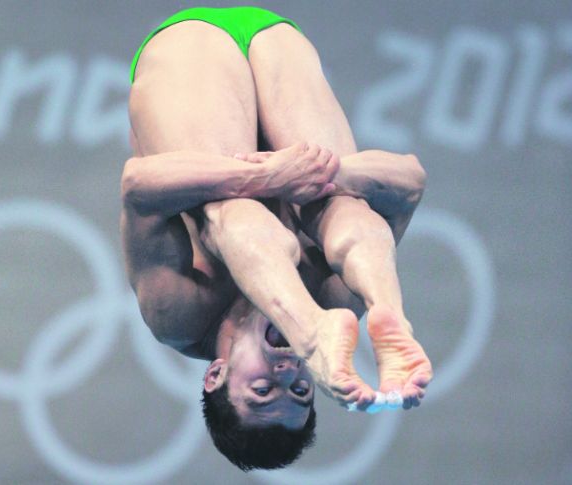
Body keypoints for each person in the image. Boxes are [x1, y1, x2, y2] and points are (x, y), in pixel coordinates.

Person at [122, 6, 432, 470]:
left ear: (216, 375)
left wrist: (268, 177)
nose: (286, 373)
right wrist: (327, 174)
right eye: (302, 390)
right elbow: (409, 181)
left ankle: (307, 330)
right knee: (342, 213)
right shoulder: (338, 304)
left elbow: (139, 187)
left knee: (232, 215)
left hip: (191, 46)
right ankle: (395, 317)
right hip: (276, 41)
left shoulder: (180, 317)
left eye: (263, 390)